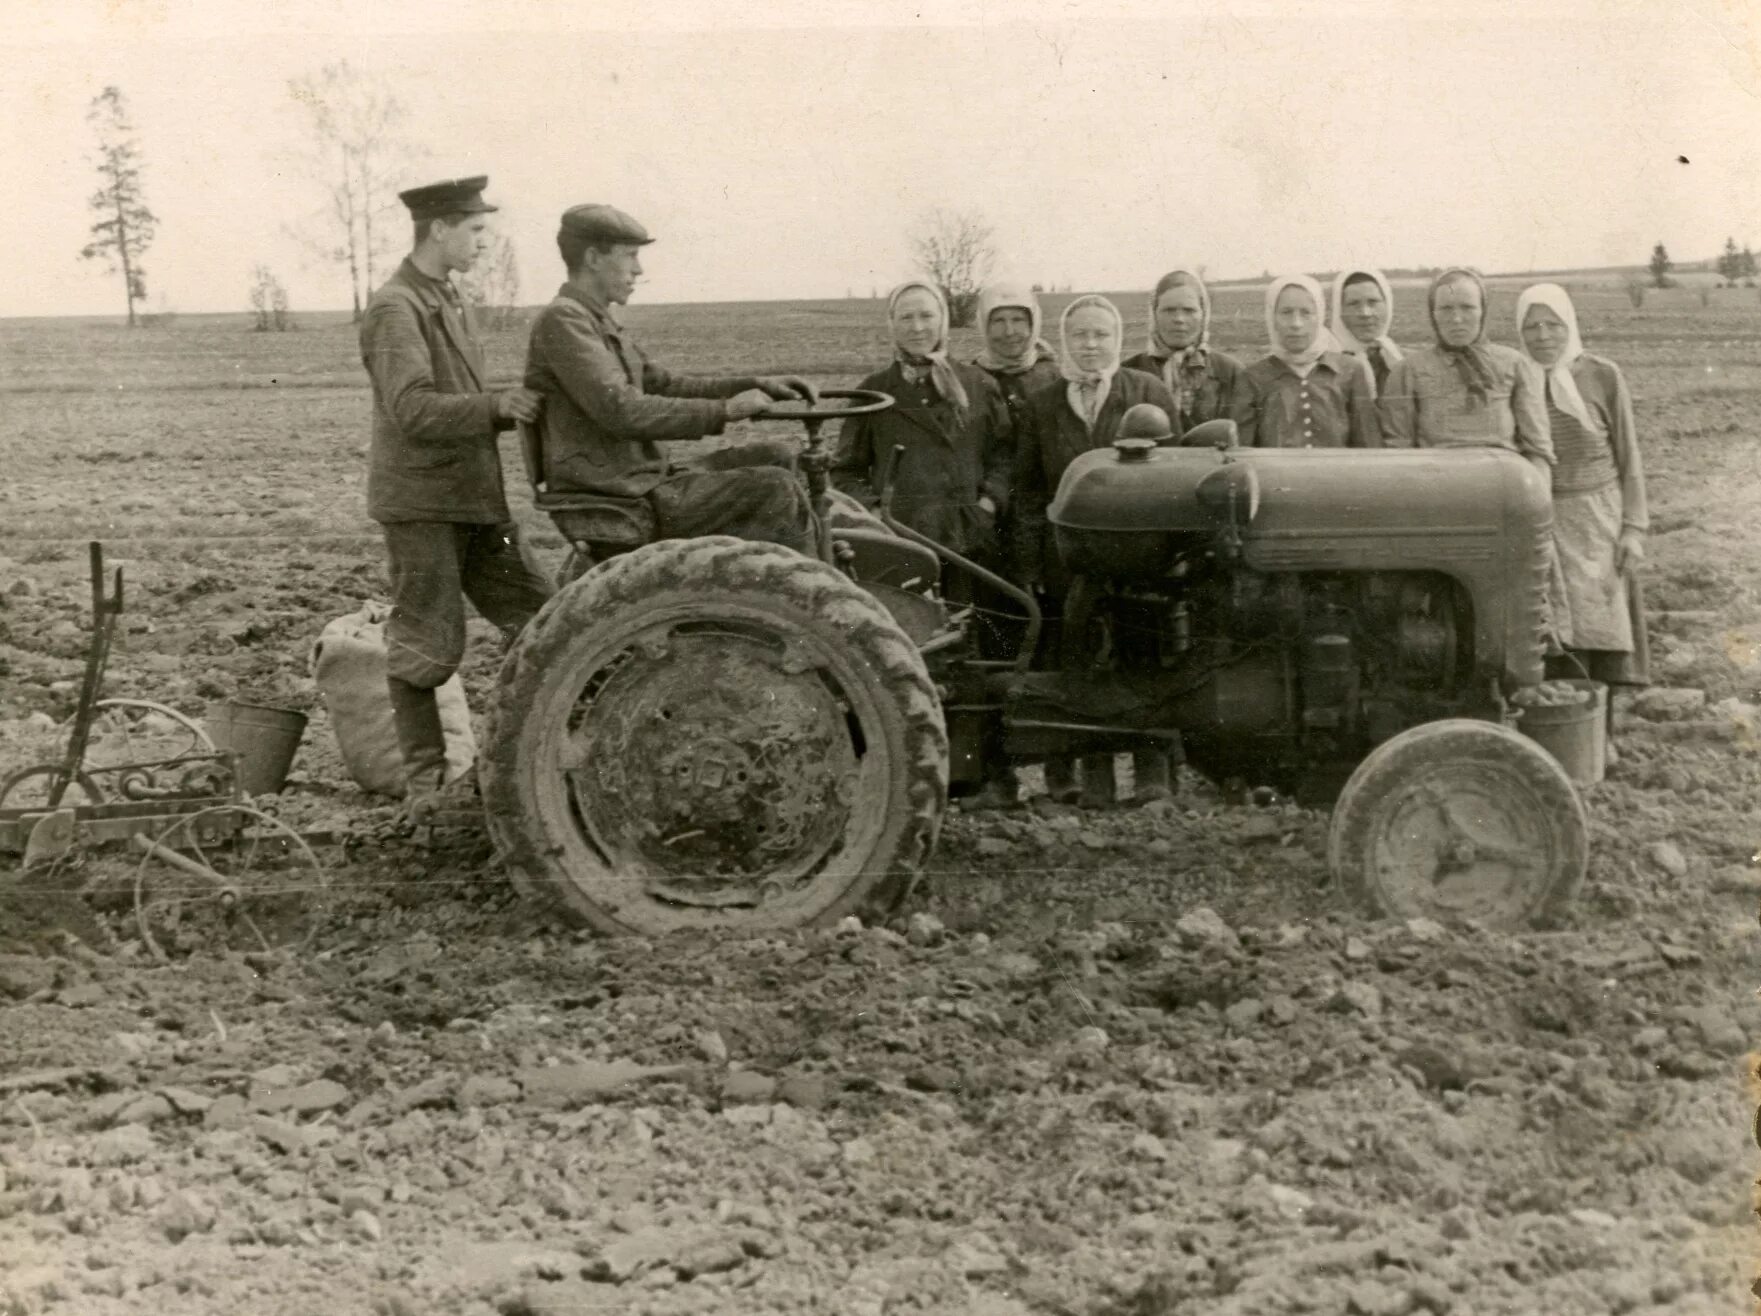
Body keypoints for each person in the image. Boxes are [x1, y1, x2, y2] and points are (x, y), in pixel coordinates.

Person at [359, 175, 554, 817]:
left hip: (472, 501)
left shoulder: (448, 299)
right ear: (437, 229)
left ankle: (546, 753)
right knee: (425, 639)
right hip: (424, 506)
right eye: (473, 229)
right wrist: (497, 406)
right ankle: (423, 789)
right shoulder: (396, 307)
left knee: (544, 613)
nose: (483, 240)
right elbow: (412, 409)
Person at [524, 204, 820, 556]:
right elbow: (623, 411)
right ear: (593, 258)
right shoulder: (565, 321)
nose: (638, 270)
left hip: (641, 481)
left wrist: (754, 383)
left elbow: (663, 385)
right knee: (776, 489)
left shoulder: (594, 319)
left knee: (778, 455)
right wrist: (726, 410)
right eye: (630, 256)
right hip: (621, 497)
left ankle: (774, 580)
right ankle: (807, 601)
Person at [834, 281, 1019, 808]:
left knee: (976, 658)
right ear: (891, 325)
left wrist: (989, 504)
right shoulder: (873, 393)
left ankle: (981, 779)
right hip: (905, 547)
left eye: (927, 317)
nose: (918, 328)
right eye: (907, 318)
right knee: (915, 660)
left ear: (944, 322)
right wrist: (878, 519)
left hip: (970, 540)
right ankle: (915, 782)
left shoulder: (976, 384)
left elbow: (1005, 457)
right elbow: (846, 471)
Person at [1014, 294, 1181, 807]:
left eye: (1101, 335)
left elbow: (1175, 476)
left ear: (1117, 339)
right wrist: (1032, 563)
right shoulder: (1043, 403)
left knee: (1145, 658)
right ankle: (1095, 780)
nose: (1091, 345)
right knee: (1079, 664)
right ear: (1066, 341)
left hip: (1141, 559)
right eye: (1081, 335)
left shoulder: (1146, 394)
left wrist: (1172, 555)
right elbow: (1025, 492)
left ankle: (1155, 776)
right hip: (1068, 559)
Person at [1380, 267, 1565, 647]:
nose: (1457, 318)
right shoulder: (1407, 371)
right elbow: (1397, 453)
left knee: (1519, 612)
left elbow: (1538, 450)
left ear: (1484, 310)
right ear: (1431, 314)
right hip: (1436, 506)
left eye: (1467, 307)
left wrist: (1537, 519)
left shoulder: (1516, 366)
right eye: (1445, 309)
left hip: (1506, 506)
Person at [1516, 282, 1651, 733]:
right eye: (1531, 326)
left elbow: (1629, 457)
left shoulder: (1603, 375)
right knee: (1553, 630)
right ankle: (1560, 732)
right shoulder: (1517, 377)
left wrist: (1633, 528)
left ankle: (1601, 734)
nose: (1542, 336)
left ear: (1569, 324)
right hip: (1545, 518)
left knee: (1601, 631)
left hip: (1598, 519)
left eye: (1552, 324)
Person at [1230, 274, 1381, 449]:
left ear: (1320, 316)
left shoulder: (1351, 370)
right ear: (1272, 318)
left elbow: (1369, 449)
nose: (1296, 323)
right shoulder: (1253, 378)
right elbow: (1241, 453)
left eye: (1306, 312)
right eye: (1286, 313)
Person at [1121, 268, 1241, 436]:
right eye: (1169, 310)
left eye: (1189, 310)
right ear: (1154, 314)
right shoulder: (1128, 374)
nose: (1179, 319)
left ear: (1204, 314)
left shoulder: (1231, 372)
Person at [1328, 267, 1404, 397]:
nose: (1365, 313)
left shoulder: (1400, 358)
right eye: (1353, 304)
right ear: (1339, 310)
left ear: (1387, 305)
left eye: (1373, 302)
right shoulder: (1327, 367)